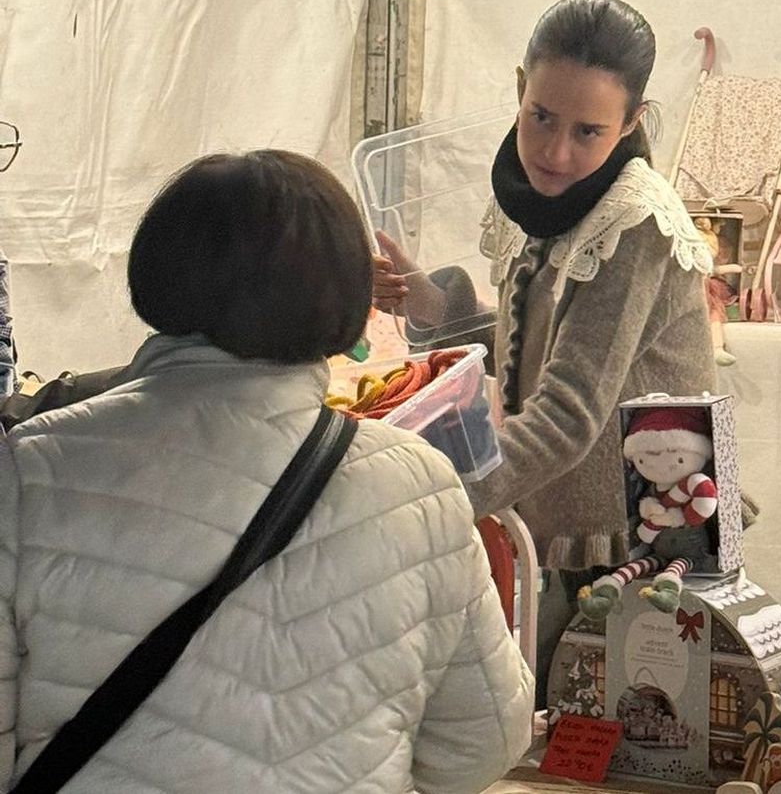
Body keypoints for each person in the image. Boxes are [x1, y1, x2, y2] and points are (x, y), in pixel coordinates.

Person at [0, 151, 534, 792]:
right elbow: (482, 744)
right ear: (347, 294)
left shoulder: (29, 472)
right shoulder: (420, 487)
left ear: (158, 271)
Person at [371, 0, 718, 704]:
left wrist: (434, 500)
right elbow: (530, 339)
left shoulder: (634, 222)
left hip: (633, 540)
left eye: (589, 131)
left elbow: (567, 413)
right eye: (540, 118)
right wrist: (432, 304)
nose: (556, 151)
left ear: (632, 124)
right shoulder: (539, 196)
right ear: (518, 88)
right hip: (556, 520)